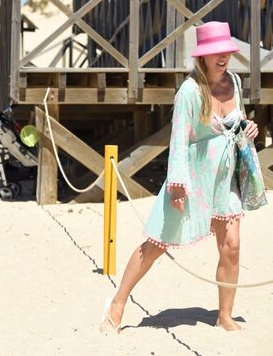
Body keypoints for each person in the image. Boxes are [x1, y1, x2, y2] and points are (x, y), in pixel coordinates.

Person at [103, 22, 261, 333]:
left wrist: (248, 126)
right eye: (215, 52)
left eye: (226, 51)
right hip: (191, 179)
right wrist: (177, 185)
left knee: (232, 245)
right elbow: (177, 141)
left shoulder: (235, 82)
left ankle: (225, 316)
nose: (222, 57)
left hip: (224, 177)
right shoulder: (189, 92)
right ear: (202, 56)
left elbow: (236, 122)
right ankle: (118, 303)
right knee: (156, 243)